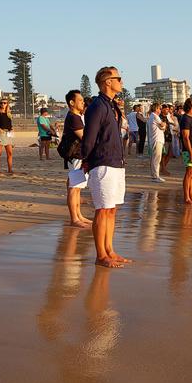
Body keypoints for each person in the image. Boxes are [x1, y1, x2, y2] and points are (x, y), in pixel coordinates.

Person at [81, 66, 129, 268]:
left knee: (112, 209)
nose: (121, 81)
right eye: (118, 78)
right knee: (102, 210)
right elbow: (89, 137)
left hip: (116, 163)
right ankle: (101, 255)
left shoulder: (112, 106)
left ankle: (109, 249)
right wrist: (86, 159)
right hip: (102, 164)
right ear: (107, 82)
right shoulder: (97, 106)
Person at [60, 90, 91, 227]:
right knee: (74, 187)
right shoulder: (73, 117)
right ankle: (74, 218)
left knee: (77, 187)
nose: (83, 102)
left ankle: (78, 215)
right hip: (76, 155)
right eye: (80, 100)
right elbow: (85, 137)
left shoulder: (77, 116)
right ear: (72, 103)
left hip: (78, 155)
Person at [0, 99, 15, 175]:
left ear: (7, 104)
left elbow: (10, 123)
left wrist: (12, 128)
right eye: (1, 103)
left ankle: (10, 169)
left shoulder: (9, 114)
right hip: (1, 134)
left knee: (10, 153)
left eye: (4, 103)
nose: (3, 104)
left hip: (8, 134)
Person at [146, 102, 166, 182]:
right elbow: (163, 125)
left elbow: (162, 127)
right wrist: (164, 125)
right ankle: (155, 176)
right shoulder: (155, 116)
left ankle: (155, 175)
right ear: (156, 109)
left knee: (155, 158)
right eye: (159, 108)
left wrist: (163, 126)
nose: (160, 110)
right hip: (156, 139)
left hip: (155, 139)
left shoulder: (152, 116)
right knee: (156, 159)